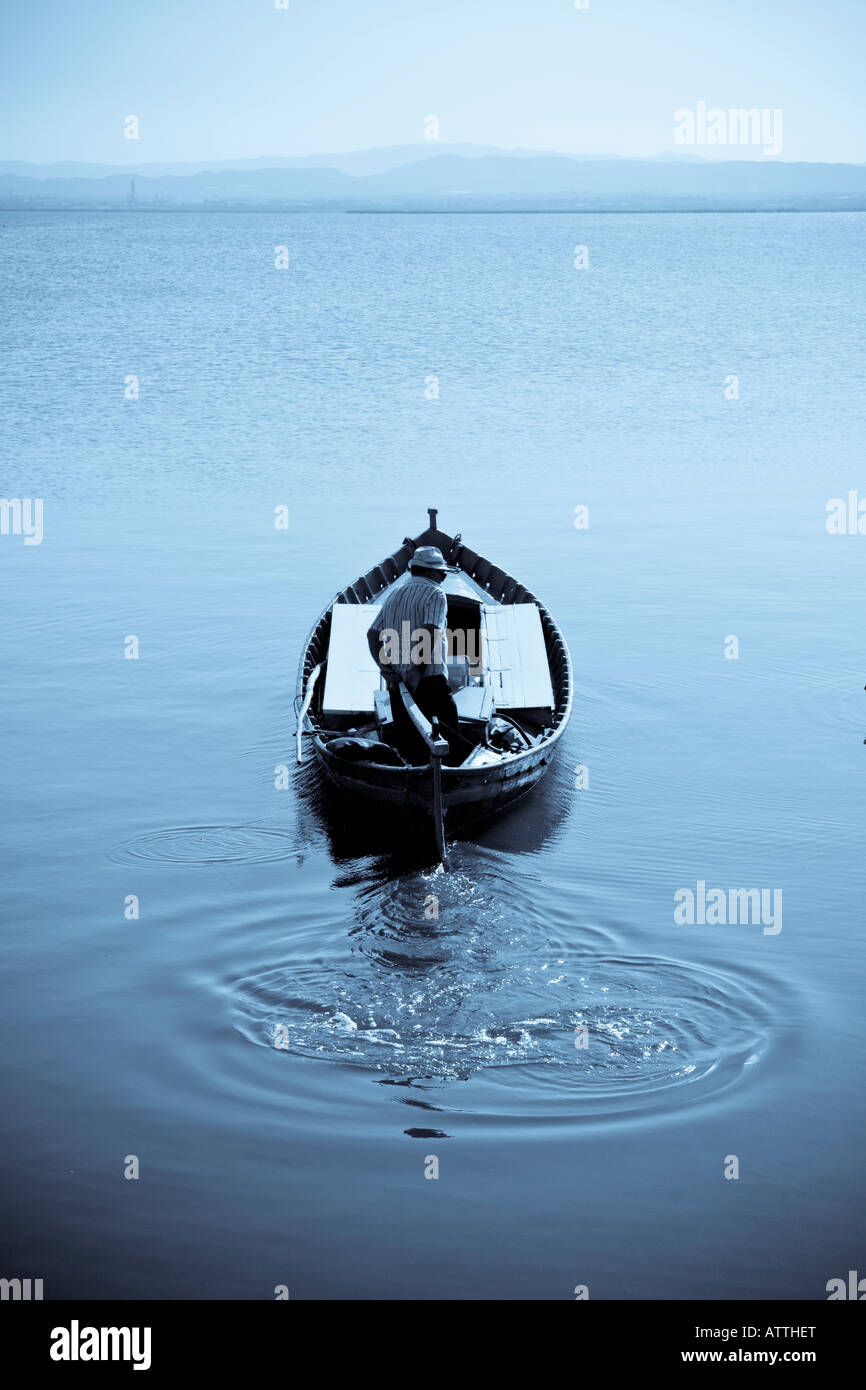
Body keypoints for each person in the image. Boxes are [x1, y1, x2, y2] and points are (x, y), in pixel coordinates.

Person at [366, 545, 470, 765]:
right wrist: (417, 671)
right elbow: (430, 632)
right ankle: (454, 779)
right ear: (431, 572)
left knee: (410, 743)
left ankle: (415, 782)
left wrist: (385, 669)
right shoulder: (435, 593)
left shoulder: (394, 594)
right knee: (451, 737)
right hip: (428, 680)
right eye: (441, 572)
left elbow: (372, 634)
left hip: (399, 684)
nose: (443, 577)